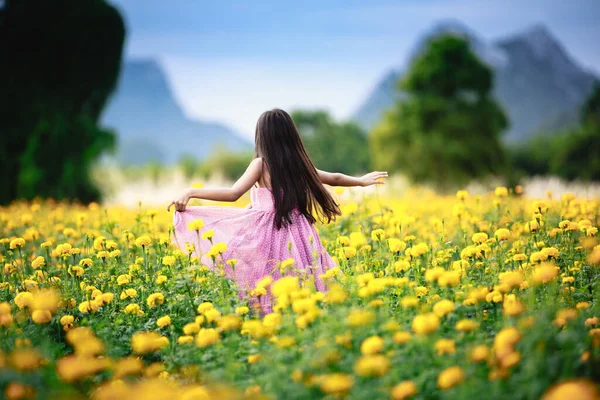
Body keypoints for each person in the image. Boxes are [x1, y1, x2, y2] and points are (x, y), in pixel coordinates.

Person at [168, 109, 387, 313]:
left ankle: (271, 319)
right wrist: (361, 181)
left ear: (261, 137)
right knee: (305, 276)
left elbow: (233, 193)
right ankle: (309, 314)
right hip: (300, 233)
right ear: (291, 135)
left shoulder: (260, 165)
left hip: (268, 232)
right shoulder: (299, 163)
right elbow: (335, 178)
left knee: (268, 279)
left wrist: (191, 192)